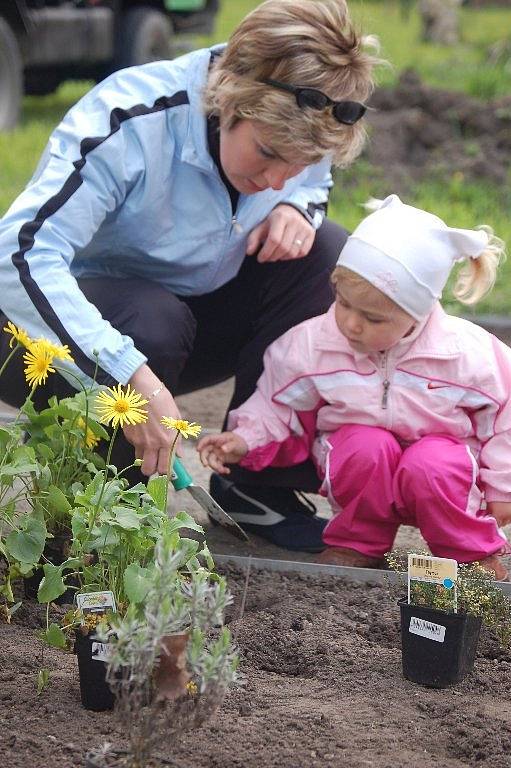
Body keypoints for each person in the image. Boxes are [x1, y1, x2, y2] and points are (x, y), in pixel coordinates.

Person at [0, 0, 379, 552]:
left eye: (295, 165)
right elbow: (19, 253)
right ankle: (102, 517)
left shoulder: (316, 117)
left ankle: (255, 485)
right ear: (229, 97)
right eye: (268, 154)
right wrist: (130, 373)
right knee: (152, 320)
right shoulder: (131, 118)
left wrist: (299, 209)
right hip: (43, 342)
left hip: (184, 321)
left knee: (325, 253)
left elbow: (309, 183)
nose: (277, 179)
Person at [198, 194, 511, 580]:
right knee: (363, 447)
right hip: (362, 469)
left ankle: (469, 553)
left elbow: (505, 416)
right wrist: (244, 439)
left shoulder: (466, 354)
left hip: (441, 475)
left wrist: (502, 485)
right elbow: (277, 404)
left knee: (433, 462)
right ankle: (357, 544)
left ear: (418, 312)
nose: (351, 324)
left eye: (372, 318)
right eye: (343, 303)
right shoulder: (313, 345)